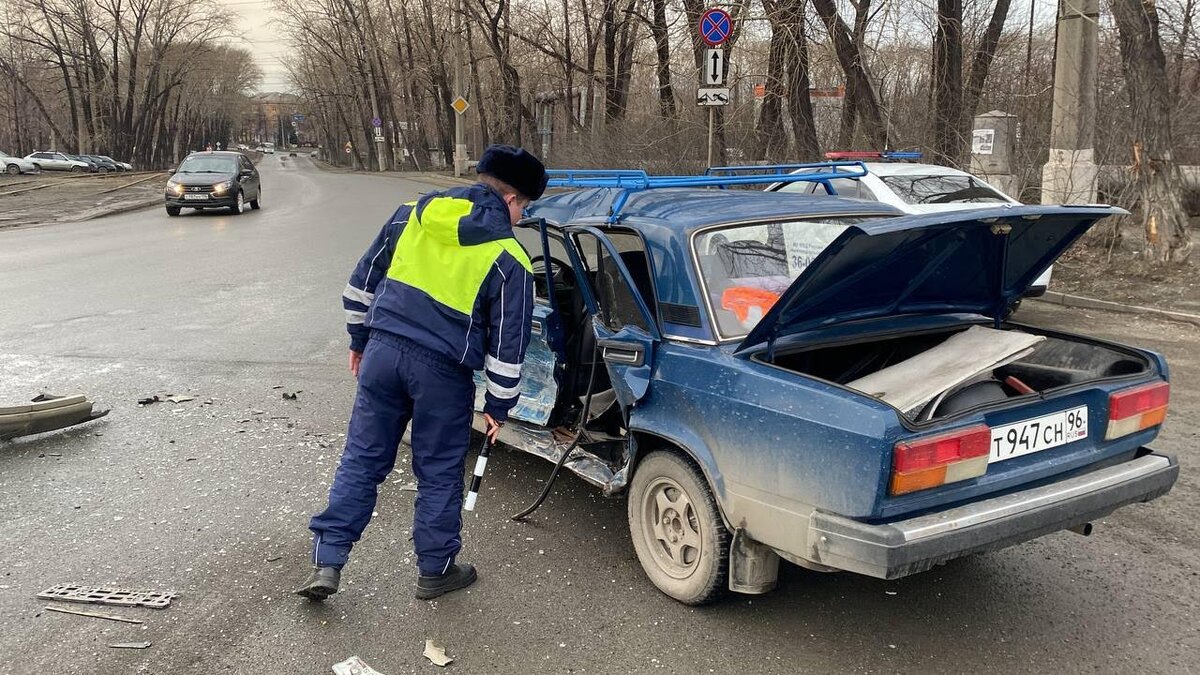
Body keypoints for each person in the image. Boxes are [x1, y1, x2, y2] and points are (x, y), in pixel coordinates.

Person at [296, 145, 547, 601]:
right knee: (438, 472)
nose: (521, 217)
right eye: (524, 208)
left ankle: (327, 562)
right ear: (512, 200)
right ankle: (436, 571)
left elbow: (359, 287)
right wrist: (498, 407)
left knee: (363, 459)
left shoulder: (409, 213)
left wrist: (359, 341)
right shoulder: (511, 259)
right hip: (443, 374)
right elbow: (508, 350)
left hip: (383, 353)